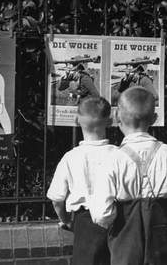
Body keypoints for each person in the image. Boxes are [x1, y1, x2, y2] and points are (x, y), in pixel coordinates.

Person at [92, 86, 167, 265]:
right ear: (154, 118)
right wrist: (164, 215)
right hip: (163, 237)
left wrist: (121, 222)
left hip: (125, 240)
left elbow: (101, 213)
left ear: (117, 117)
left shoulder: (112, 160)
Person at [47, 96, 116, 265]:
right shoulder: (119, 154)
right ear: (110, 121)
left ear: (76, 121)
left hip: (83, 222)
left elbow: (57, 199)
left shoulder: (71, 157)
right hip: (116, 220)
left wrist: (66, 221)